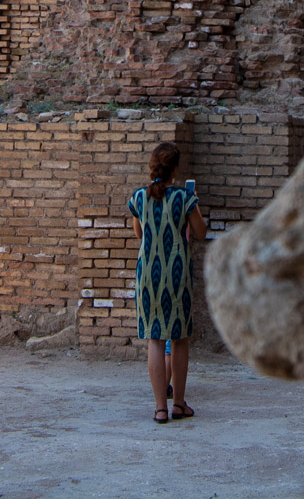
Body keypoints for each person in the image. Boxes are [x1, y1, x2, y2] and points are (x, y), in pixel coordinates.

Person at [128, 141, 206, 423]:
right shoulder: (184, 198)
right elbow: (200, 232)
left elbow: (139, 234)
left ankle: (160, 408)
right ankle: (179, 404)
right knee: (179, 337)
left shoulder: (139, 197)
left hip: (148, 273)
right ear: (175, 169)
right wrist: (193, 202)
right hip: (176, 273)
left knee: (155, 338)